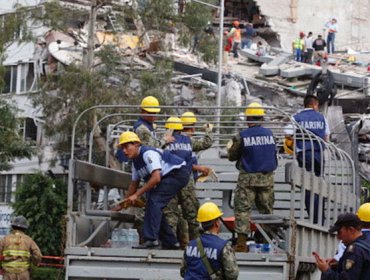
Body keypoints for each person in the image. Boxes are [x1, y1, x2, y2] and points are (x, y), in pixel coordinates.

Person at [119, 131, 190, 249]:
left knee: (154, 202)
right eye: (122, 148)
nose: (124, 151)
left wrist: (136, 195)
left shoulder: (148, 154)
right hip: (166, 176)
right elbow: (134, 184)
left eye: (127, 147)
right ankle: (171, 242)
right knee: (152, 206)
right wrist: (123, 203)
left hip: (177, 173)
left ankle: (151, 240)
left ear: (136, 144)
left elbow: (156, 178)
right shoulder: (135, 163)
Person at [227, 102, 278, 252]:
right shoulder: (270, 135)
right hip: (266, 180)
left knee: (242, 211)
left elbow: (232, 156)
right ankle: (264, 242)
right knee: (267, 212)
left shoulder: (242, 136)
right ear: (262, 118)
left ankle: (241, 245)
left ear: (248, 119)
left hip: (247, 180)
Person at [293, 95, 330, 224]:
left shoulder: (296, 118)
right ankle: (321, 218)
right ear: (315, 105)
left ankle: (313, 217)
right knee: (319, 183)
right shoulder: (322, 118)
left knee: (308, 185)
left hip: (304, 154)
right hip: (319, 154)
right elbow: (326, 137)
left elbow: (287, 133)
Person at [180, 202, 239, 280]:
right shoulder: (223, 247)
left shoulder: (190, 245)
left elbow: (183, 271)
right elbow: (232, 275)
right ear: (216, 223)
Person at [313, 213, 370, 280]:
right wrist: (339, 263)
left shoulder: (355, 251)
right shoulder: (366, 243)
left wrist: (326, 270)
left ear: (351, 230)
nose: (338, 237)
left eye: (340, 232)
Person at [0, 215, 42, 280]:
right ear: (24, 228)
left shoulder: (5, 239)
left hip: (8, 274)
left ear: (13, 227)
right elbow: (38, 255)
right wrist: (34, 264)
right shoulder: (29, 240)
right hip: (23, 274)